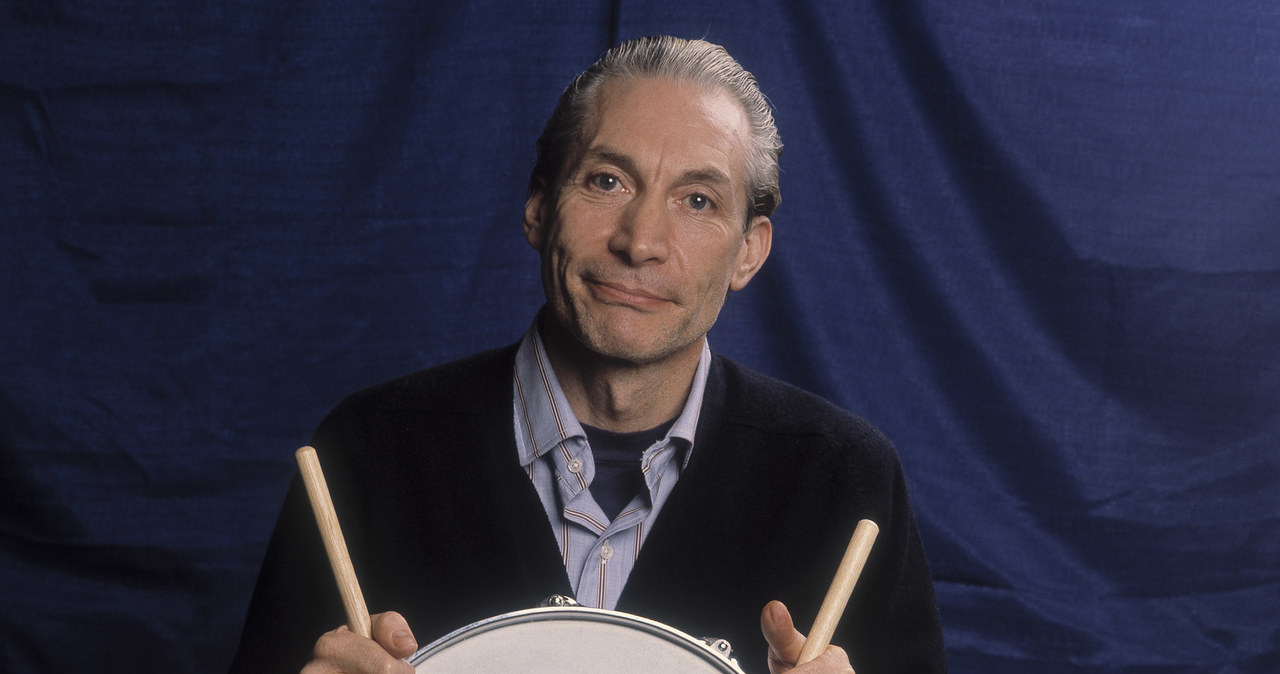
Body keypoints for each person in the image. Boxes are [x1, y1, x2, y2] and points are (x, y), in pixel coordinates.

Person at [230, 35, 946, 674]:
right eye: (608, 181)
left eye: (697, 200)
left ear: (749, 251)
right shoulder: (368, 452)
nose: (641, 241)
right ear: (539, 207)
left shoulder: (848, 481)